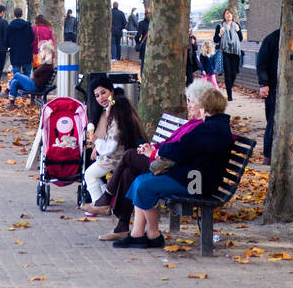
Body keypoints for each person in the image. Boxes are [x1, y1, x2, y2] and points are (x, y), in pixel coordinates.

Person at [113, 86, 234, 250]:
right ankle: (138, 234)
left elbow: (180, 149)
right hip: (193, 176)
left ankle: (152, 235)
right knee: (142, 181)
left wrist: (157, 152)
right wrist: (159, 151)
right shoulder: (213, 126)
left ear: (205, 108)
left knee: (144, 185)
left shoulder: (210, 129)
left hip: (197, 182)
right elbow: (183, 148)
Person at [99, 78, 213, 241]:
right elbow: (170, 143)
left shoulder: (201, 126)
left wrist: (153, 152)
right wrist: (151, 147)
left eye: (192, 101)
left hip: (175, 169)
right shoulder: (192, 123)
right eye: (187, 100)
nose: (188, 104)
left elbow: (180, 150)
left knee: (130, 157)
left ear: (203, 103)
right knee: (129, 172)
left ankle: (107, 199)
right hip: (167, 162)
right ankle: (125, 227)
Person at [83, 81, 144, 207]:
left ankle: (98, 204)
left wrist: (96, 141)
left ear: (112, 91)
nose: (101, 98)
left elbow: (111, 146)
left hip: (117, 158)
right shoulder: (120, 109)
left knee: (89, 174)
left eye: (103, 92)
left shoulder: (117, 114)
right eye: (97, 95)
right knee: (91, 168)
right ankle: (105, 200)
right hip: (121, 155)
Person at [256, 26, 280, 163]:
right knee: (272, 120)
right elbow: (261, 63)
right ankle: (268, 155)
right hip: (274, 87)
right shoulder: (272, 38)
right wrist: (264, 84)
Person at [7, 41, 57, 105]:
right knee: (14, 82)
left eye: (41, 51)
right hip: (34, 85)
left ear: (46, 52)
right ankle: (11, 103)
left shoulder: (47, 64)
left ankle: (7, 90)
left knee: (17, 75)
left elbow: (35, 73)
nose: (40, 53)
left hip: (34, 86)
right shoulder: (48, 63)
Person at [213, 8, 243, 102]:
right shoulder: (220, 26)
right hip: (224, 52)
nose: (229, 15)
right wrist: (220, 34)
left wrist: (238, 31)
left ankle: (229, 86)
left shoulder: (236, 25)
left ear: (232, 16)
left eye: (230, 14)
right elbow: (215, 40)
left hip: (235, 53)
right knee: (228, 74)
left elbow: (241, 39)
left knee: (234, 73)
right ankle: (229, 95)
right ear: (224, 16)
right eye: (227, 14)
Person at [7, 7, 34, 78]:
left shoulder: (10, 27)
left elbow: (6, 40)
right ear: (22, 14)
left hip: (15, 53)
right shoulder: (28, 26)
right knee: (27, 76)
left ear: (14, 15)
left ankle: (17, 88)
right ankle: (26, 89)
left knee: (16, 76)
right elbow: (32, 38)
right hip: (27, 53)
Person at [134, 7, 150, 72]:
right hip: (152, 45)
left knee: (143, 63)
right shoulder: (154, 24)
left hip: (144, 45)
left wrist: (138, 42)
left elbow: (138, 35)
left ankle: (142, 76)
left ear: (145, 14)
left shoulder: (141, 23)